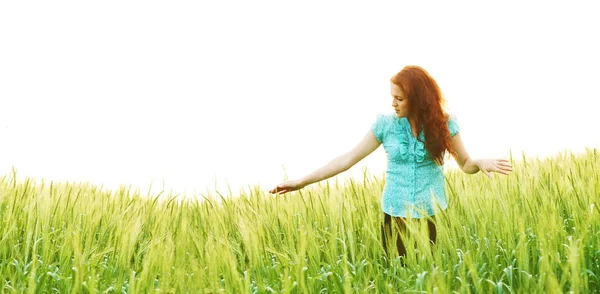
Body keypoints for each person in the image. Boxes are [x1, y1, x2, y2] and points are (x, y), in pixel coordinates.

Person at [268, 65, 513, 261]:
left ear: (417, 99)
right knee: (399, 278)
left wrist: (480, 162)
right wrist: (302, 181)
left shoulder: (445, 124)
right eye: (392, 97)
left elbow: (466, 164)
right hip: (394, 216)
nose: (393, 103)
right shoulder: (385, 126)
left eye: (399, 98)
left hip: (433, 215)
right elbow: (347, 159)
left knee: (433, 278)